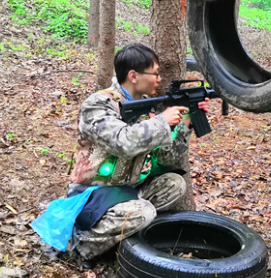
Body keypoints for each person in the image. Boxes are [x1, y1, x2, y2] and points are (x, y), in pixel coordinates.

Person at [66, 43, 209, 265]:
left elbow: (165, 158)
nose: (159, 79)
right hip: (92, 193)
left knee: (175, 184)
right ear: (133, 76)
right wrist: (162, 121)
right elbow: (122, 143)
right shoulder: (98, 104)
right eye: (155, 73)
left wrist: (185, 125)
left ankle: (121, 232)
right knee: (144, 212)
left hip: (124, 191)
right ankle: (80, 245)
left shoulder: (145, 108)